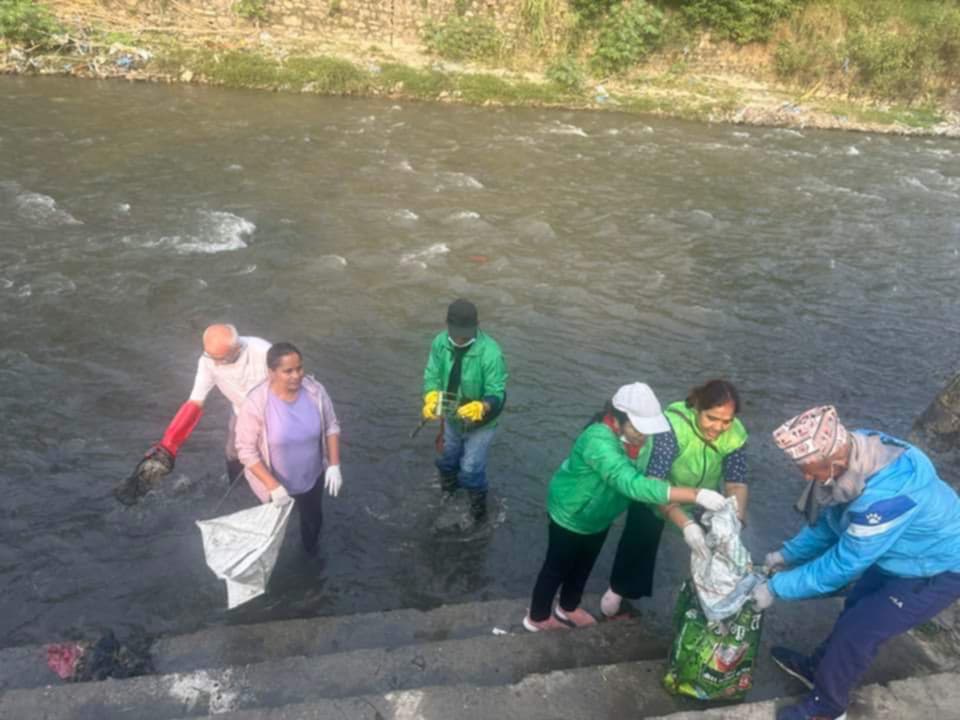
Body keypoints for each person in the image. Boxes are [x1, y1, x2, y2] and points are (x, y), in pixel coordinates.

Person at [750, 405, 960, 720]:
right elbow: (832, 521)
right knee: (856, 606)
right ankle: (819, 669)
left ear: (834, 459)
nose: (806, 476)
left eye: (811, 468)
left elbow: (841, 565)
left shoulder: (888, 497)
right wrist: (787, 554)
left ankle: (828, 707)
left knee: (861, 629)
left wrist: (776, 587)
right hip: (898, 552)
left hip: (936, 568)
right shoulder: (856, 450)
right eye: (801, 467)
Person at [523, 383, 729, 632]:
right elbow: (629, 483)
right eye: (638, 429)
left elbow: (650, 479)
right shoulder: (598, 440)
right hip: (571, 512)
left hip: (602, 514)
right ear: (619, 418)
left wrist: (684, 514)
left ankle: (568, 606)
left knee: (585, 563)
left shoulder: (643, 441)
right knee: (556, 566)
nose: (643, 436)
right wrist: (695, 494)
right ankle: (537, 617)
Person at [601, 379, 749, 618]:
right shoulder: (671, 427)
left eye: (726, 421)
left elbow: (736, 482)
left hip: (704, 496)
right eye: (711, 418)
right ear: (697, 407)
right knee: (641, 537)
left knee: (719, 545)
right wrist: (685, 524)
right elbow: (655, 483)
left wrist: (737, 520)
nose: (718, 427)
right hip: (657, 488)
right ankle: (616, 595)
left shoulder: (735, 434)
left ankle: (705, 602)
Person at [117, 324, 271, 504]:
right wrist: (169, 445)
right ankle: (239, 490)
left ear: (237, 349)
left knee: (273, 456)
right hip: (241, 411)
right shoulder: (207, 361)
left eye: (219, 359)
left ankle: (275, 493)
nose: (213, 363)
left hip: (272, 411)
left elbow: (289, 384)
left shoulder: (263, 352)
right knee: (233, 453)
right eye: (210, 356)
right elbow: (195, 402)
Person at [235, 342, 342, 555]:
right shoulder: (256, 402)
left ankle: (310, 562)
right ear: (271, 372)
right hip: (273, 484)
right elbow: (245, 450)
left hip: (312, 477)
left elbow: (331, 426)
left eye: (299, 368)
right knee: (271, 534)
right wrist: (273, 486)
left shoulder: (315, 391)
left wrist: (334, 464)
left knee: (312, 523)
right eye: (288, 371)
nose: (297, 375)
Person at [421, 299, 508, 522]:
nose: (461, 338)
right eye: (457, 333)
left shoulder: (491, 353)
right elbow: (431, 374)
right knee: (448, 459)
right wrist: (431, 396)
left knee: (470, 468)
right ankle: (448, 494)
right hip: (452, 416)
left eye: (466, 333)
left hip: (481, 422)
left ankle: (478, 511)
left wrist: (483, 406)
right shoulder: (440, 343)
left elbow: (497, 392)